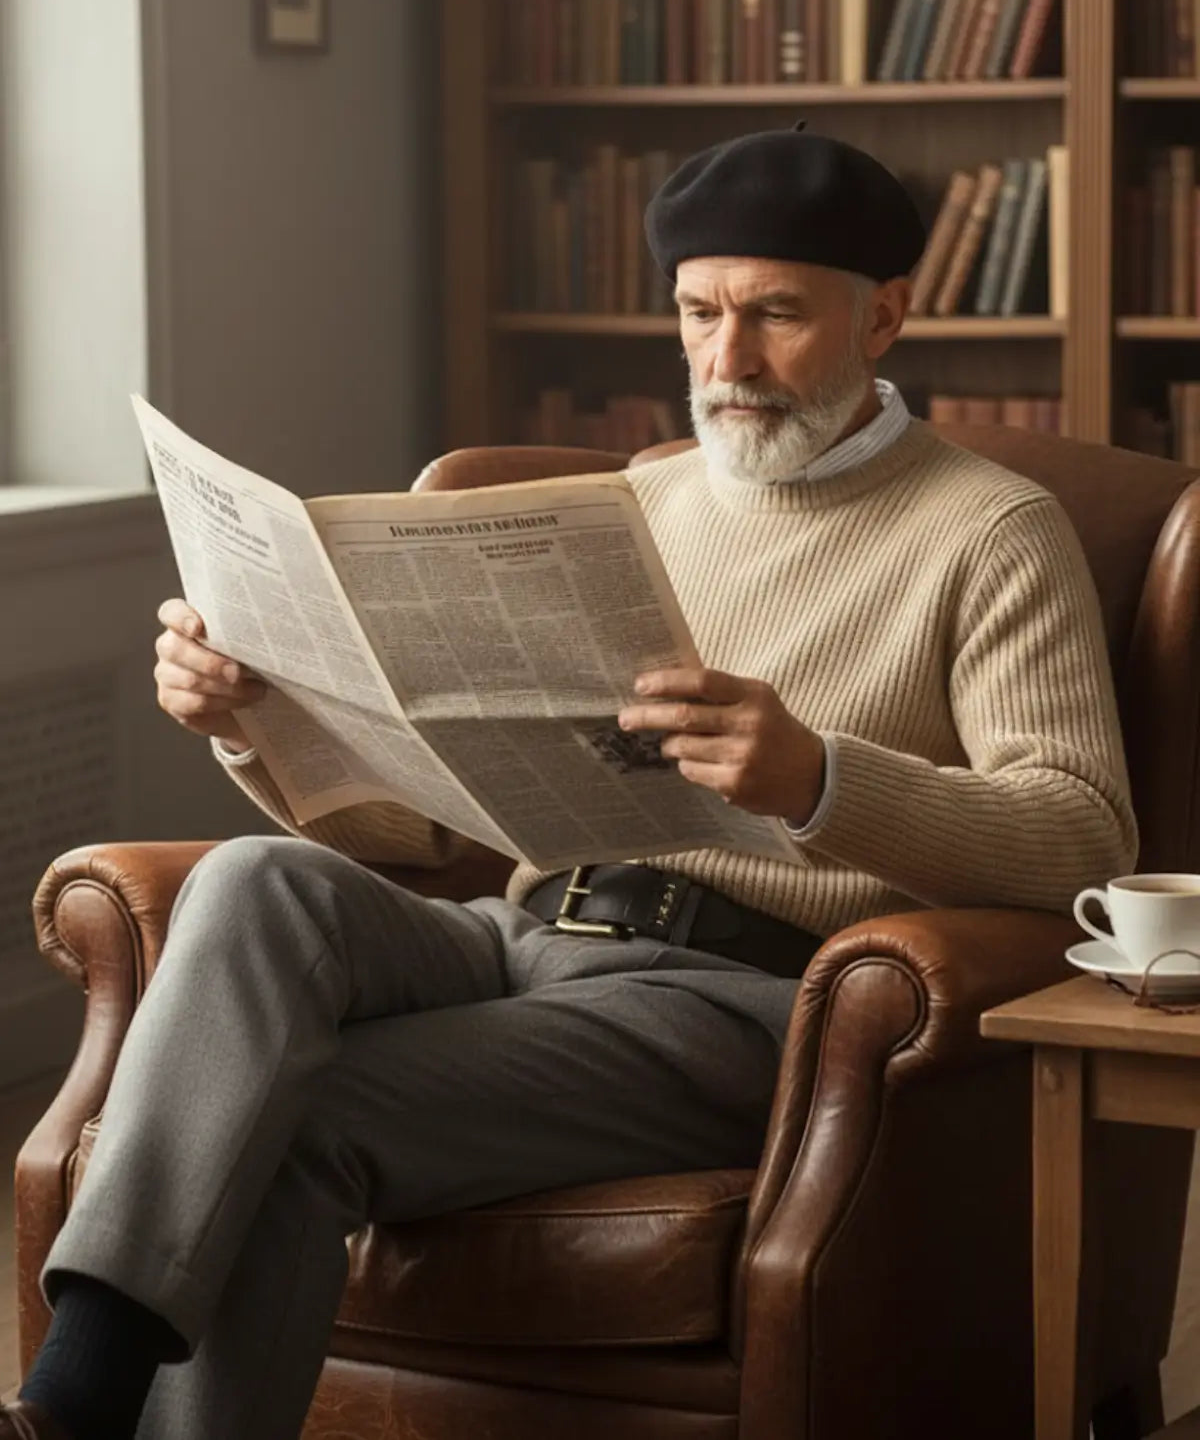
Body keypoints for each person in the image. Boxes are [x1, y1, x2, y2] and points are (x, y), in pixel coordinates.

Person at [1, 126, 1136, 1440]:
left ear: (883, 316)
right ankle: (70, 1408)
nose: (728, 360)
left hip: (743, 998)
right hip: (521, 934)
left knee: (287, 1118)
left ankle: (73, 1411)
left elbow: (1085, 837)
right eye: (699, 314)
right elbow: (430, 829)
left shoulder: (992, 531)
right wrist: (255, 724)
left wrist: (818, 778)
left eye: (776, 314)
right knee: (258, 882)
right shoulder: (638, 500)